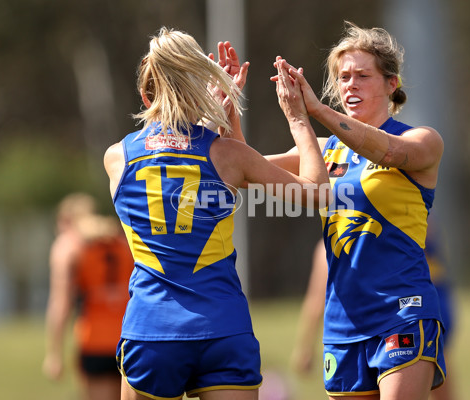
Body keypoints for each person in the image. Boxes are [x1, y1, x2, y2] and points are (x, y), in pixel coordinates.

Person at [102, 27, 329, 400]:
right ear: (198, 89)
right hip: (223, 328)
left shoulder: (117, 157)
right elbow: (318, 192)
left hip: (152, 330)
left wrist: (210, 117)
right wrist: (299, 118)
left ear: (145, 96)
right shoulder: (227, 156)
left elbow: (177, 160)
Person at [268, 22, 446, 399]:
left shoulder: (420, 140)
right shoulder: (323, 150)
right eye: (343, 76)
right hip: (343, 322)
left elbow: (386, 151)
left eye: (363, 75)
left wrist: (314, 110)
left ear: (391, 84)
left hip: (402, 310)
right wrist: (227, 111)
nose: (350, 84)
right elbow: (248, 169)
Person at [291, 216, 458, 399]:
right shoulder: (327, 249)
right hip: (380, 321)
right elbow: (316, 301)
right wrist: (305, 348)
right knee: (435, 365)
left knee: (430, 365)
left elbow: (315, 302)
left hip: (410, 312)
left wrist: (304, 349)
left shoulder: (401, 219)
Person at [43, 193, 135, 400]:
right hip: (132, 337)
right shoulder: (123, 241)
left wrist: (54, 353)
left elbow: (61, 303)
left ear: (65, 220)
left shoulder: (69, 246)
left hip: (94, 341)